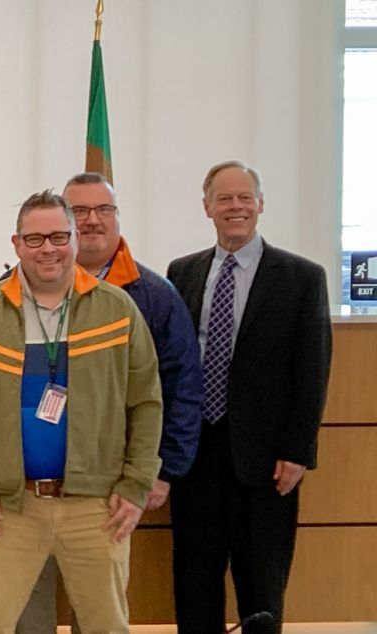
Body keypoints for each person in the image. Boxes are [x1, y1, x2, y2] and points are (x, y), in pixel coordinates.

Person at [0, 189, 162, 633]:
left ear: (76, 239)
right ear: (16, 243)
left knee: (107, 625)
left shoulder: (116, 309)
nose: (48, 249)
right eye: (35, 239)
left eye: (59, 237)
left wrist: (137, 484)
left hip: (97, 505)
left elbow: (146, 401)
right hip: (7, 507)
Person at [18, 173, 205, 632]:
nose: (93, 221)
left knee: (99, 613)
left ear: (118, 218)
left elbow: (177, 387)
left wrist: (162, 470)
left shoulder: (152, 296)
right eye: (79, 212)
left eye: (104, 210)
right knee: (26, 613)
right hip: (22, 490)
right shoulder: (10, 292)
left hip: (107, 486)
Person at [167, 161, 331, 634]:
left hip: (266, 462)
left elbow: (312, 370)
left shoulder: (301, 277)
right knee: (194, 580)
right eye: (224, 199)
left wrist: (297, 452)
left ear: (260, 204)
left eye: (244, 198)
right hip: (197, 454)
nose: (235, 207)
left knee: (261, 586)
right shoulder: (184, 272)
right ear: (207, 208)